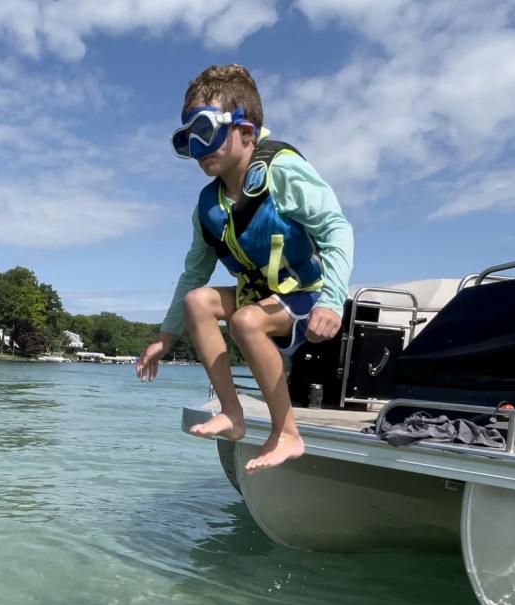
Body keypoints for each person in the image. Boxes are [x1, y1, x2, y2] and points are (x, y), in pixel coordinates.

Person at [135, 64, 353, 473]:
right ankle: (233, 415)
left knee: (247, 322)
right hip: (260, 298)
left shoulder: (282, 171)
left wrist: (333, 300)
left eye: (207, 131)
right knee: (198, 301)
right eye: (188, 139)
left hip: (305, 297)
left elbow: (336, 229)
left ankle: (287, 433)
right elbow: (192, 275)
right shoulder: (208, 207)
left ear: (246, 132)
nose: (199, 147)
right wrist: (165, 338)